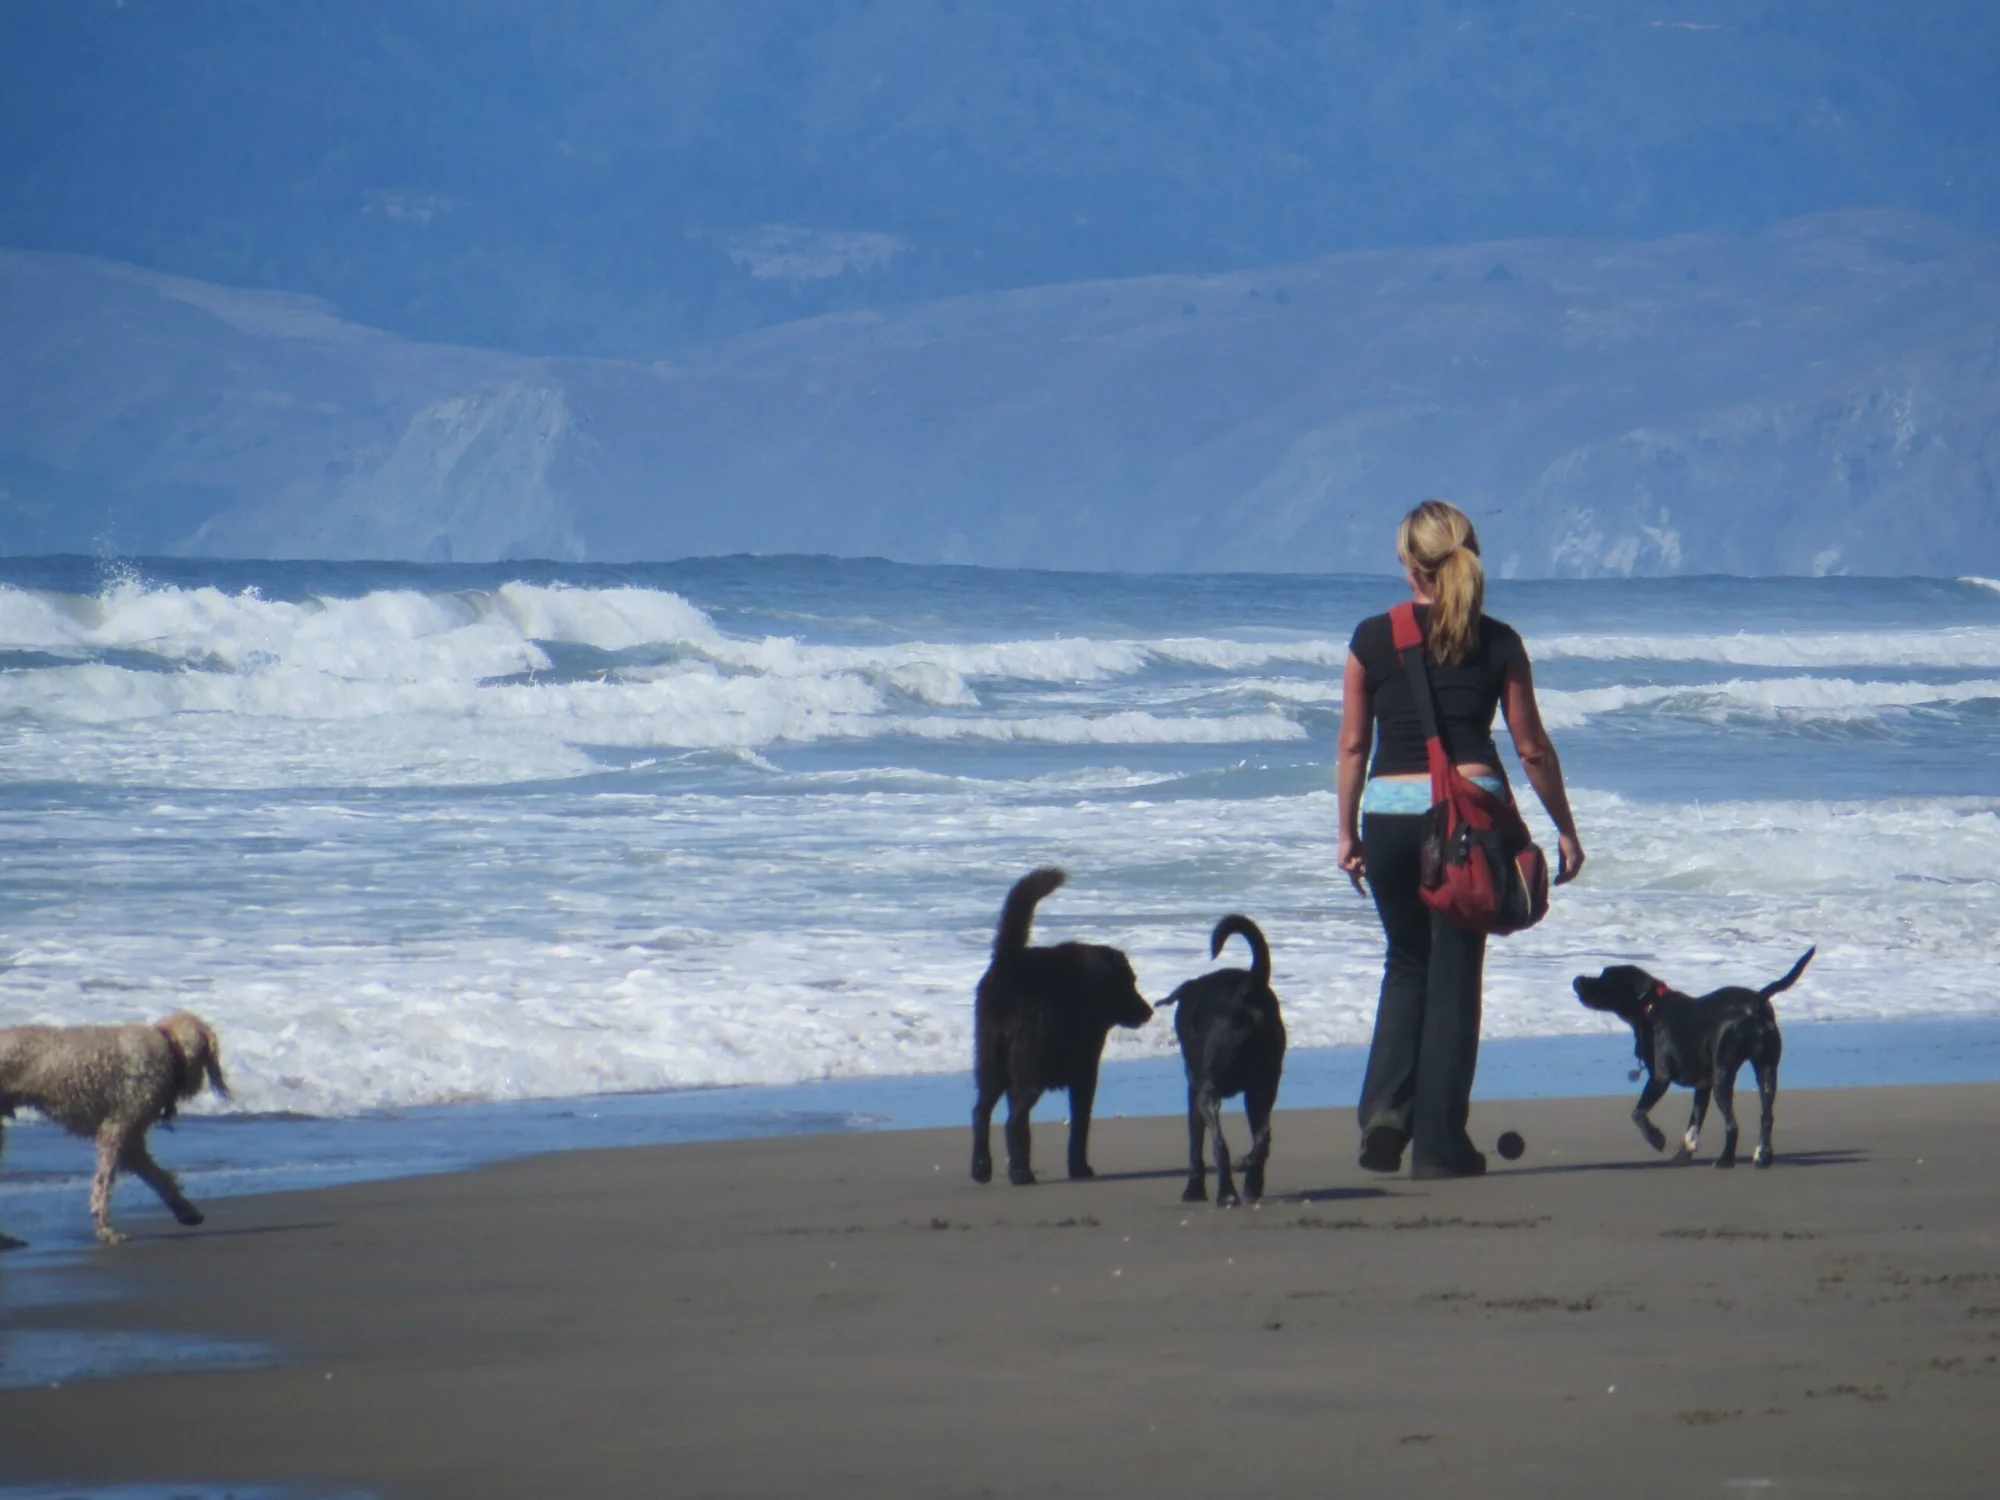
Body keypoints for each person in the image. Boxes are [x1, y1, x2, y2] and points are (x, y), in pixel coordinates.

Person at [1336, 499, 1584, 1179]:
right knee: (1453, 976)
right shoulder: (1498, 641)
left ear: (1409, 565)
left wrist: (1346, 833)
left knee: (1405, 963)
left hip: (1387, 819)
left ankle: (1385, 1116)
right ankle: (1440, 1146)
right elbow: (1531, 750)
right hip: (1468, 826)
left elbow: (1355, 744)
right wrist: (1564, 827)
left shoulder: (1370, 638)